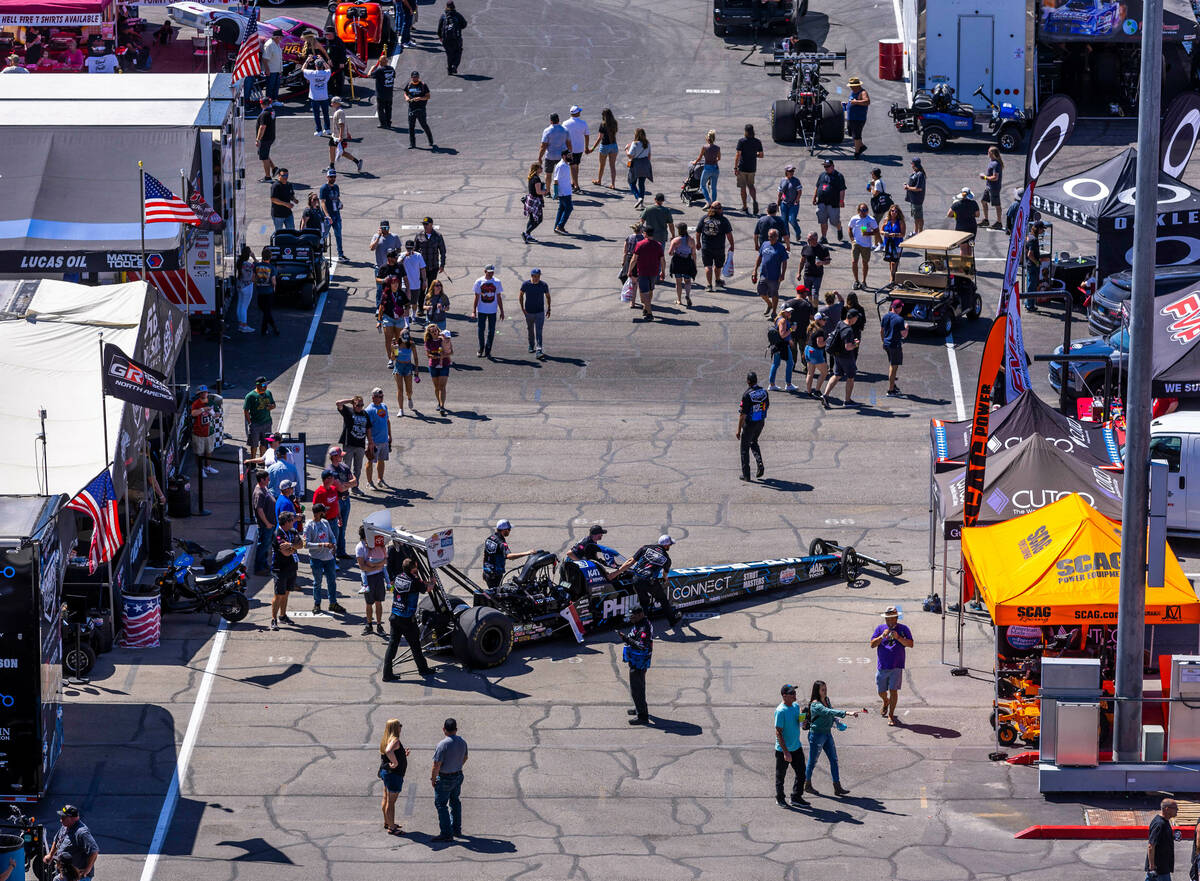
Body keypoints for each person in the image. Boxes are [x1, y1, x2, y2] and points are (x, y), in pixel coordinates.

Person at [803, 680, 861, 796]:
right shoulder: (815, 705)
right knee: (813, 761)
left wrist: (836, 721)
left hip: (827, 734)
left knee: (834, 760)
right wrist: (847, 713)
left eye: (826, 689)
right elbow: (828, 711)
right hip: (817, 736)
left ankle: (837, 786)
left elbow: (831, 713)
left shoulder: (827, 700)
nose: (825, 691)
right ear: (817, 691)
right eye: (822, 690)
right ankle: (807, 784)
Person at [383, 554, 433, 679]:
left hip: (394, 616)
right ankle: (423, 669)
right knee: (415, 646)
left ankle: (387, 674)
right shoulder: (414, 582)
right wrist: (433, 581)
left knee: (392, 645)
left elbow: (397, 587)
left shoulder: (398, 577)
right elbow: (428, 588)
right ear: (412, 569)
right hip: (407, 620)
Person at [613, 535, 680, 625]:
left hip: (636, 579)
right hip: (650, 581)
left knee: (644, 602)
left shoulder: (645, 548)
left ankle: (643, 623)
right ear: (666, 545)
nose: (670, 546)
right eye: (670, 544)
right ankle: (672, 620)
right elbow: (665, 574)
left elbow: (630, 561)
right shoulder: (667, 559)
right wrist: (665, 580)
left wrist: (616, 572)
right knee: (663, 600)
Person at [869, 605, 914, 725]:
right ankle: (885, 701)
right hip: (883, 666)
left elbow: (910, 644)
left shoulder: (903, 629)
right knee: (881, 691)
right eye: (887, 618)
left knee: (893, 691)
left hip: (897, 666)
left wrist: (898, 637)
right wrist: (881, 636)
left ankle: (891, 715)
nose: (888, 621)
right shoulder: (880, 629)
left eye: (891, 618)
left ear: (896, 618)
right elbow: (872, 644)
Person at [431, 718, 468, 841]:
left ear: (444, 729)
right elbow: (465, 757)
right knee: (455, 802)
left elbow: (436, 764)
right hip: (458, 775)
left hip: (445, 778)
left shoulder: (442, 745)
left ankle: (446, 833)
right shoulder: (462, 742)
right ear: (456, 729)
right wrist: (457, 765)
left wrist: (433, 779)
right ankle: (456, 829)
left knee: (441, 805)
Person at [304, 499, 343, 614]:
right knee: (317, 582)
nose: (325, 513)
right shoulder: (309, 526)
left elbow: (332, 536)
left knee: (332, 582)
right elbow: (306, 544)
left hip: (329, 558)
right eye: (323, 511)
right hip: (316, 559)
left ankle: (333, 603)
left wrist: (334, 545)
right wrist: (322, 545)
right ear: (319, 513)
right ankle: (317, 604)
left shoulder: (325, 522)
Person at [774, 684, 808, 806]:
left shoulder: (795, 706)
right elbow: (778, 732)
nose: (795, 695)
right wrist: (786, 752)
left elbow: (798, 723)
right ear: (784, 696)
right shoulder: (780, 711)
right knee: (780, 776)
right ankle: (780, 798)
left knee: (802, 773)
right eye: (792, 693)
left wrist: (803, 722)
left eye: (794, 692)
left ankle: (796, 797)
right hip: (783, 750)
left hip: (796, 747)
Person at [43, 806, 98, 881]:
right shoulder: (66, 826)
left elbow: (94, 851)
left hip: (77, 877)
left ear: (72, 818)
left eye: (63, 817)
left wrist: (87, 870)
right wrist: (51, 855)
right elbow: (57, 839)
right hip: (64, 872)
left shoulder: (82, 833)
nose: (61, 820)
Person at [820, 309, 861, 407]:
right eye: (856, 317)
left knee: (837, 375)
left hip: (837, 354)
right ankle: (847, 401)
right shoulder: (848, 330)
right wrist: (855, 344)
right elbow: (848, 347)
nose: (857, 319)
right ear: (852, 318)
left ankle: (825, 395)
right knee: (850, 377)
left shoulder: (840, 323)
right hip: (846, 356)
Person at [621, 606, 654, 725]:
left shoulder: (643, 628)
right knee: (639, 686)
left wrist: (626, 639)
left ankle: (642, 716)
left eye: (633, 616)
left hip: (639, 662)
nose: (631, 618)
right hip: (636, 660)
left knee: (637, 689)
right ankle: (639, 708)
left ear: (640, 615)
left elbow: (642, 646)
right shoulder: (639, 623)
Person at [271, 510, 302, 630]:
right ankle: (273, 619)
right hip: (280, 569)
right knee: (279, 595)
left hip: (291, 567)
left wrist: (291, 545)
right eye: (292, 520)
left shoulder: (293, 531)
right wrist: (294, 546)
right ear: (286, 522)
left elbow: (301, 544)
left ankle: (282, 616)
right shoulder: (278, 534)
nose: (294, 522)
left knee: (286, 593)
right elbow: (286, 553)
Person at [377, 719, 409, 835]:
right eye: (400, 725)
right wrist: (395, 763)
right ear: (395, 728)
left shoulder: (386, 739)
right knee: (391, 802)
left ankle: (388, 822)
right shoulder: (395, 740)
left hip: (386, 772)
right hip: (394, 775)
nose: (401, 727)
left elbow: (389, 753)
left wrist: (402, 755)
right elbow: (389, 751)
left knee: (386, 798)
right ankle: (392, 827)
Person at [482, 519, 535, 588]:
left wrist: (484, 571)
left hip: (487, 571)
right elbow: (509, 556)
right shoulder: (501, 542)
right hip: (495, 574)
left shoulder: (490, 538)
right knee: (496, 593)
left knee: (492, 591)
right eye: (509, 529)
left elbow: (485, 555)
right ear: (504, 530)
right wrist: (527, 553)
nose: (510, 531)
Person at [355, 525, 388, 635]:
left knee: (379, 602)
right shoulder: (359, 547)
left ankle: (379, 625)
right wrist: (377, 567)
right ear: (366, 536)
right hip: (368, 579)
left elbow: (385, 560)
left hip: (378, 577)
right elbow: (362, 567)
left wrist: (375, 566)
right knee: (369, 603)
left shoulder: (376, 544)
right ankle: (369, 625)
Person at [737, 371, 769, 482]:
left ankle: (746, 475)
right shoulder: (764, 392)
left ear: (748, 381)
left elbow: (742, 414)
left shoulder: (747, 395)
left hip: (750, 424)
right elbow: (767, 406)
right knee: (754, 441)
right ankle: (759, 462)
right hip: (760, 422)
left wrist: (738, 430)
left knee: (744, 449)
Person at [326, 446, 357, 558]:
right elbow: (340, 488)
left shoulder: (344, 466)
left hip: (346, 500)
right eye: (340, 455)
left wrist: (345, 484)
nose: (342, 457)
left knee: (343, 527)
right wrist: (348, 484)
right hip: (337, 501)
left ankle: (341, 551)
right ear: (334, 457)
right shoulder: (330, 471)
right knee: (336, 528)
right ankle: (334, 553)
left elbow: (355, 482)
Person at [696, 202, 734, 292]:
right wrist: (732, 245)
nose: (722, 209)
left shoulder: (704, 218)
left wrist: (698, 243)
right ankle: (717, 281)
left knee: (708, 266)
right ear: (719, 209)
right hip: (719, 247)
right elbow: (729, 234)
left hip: (706, 247)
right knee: (718, 265)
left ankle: (709, 285)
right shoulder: (723, 220)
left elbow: (698, 232)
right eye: (721, 208)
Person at [752, 228, 789, 319]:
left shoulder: (780, 247)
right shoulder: (765, 244)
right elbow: (760, 257)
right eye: (769, 236)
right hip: (763, 274)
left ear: (777, 237)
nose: (770, 238)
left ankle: (774, 312)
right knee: (761, 292)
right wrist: (755, 270)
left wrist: (783, 274)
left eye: (772, 236)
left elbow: (784, 262)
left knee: (774, 294)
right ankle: (769, 304)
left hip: (775, 276)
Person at [631, 228, 665, 320]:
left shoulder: (640, 244)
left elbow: (634, 259)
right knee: (650, 290)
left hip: (643, 272)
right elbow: (662, 260)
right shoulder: (658, 245)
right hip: (654, 272)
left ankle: (649, 313)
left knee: (644, 292)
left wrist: (630, 270)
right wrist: (663, 271)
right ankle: (646, 308)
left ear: (645, 234)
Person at [472, 264, 504, 358]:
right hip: (482, 310)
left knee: (492, 330)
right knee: (481, 330)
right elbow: (476, 296)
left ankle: (488, 349)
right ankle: (481, 348)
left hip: (492, 311)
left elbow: (498, 297)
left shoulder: (497, 282)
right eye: (489, 272)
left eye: (492, 272)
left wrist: (502, 311)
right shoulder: (479, 281)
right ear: (485, 271)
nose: (490, 274)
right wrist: (474, 310)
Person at [327, 98, 364, 179]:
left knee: (342, 152)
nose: (331, 104)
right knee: (331, 147)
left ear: (337, 103)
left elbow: (342, 124)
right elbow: (344, 124)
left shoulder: (340, 112)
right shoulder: (338, 111)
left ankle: (357, 162)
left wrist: (341, 136)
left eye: (332, 102)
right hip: (335, 136)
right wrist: (347, 133)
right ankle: (332, 165)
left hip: (338, 137)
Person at [335, 397, 370, 482]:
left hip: (360, 445)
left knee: (358, 468)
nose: (360, 407)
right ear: (353, 404)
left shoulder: (365, 414)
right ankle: (345, 486)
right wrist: (350, 400)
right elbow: (338, 403)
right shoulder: (348, 411)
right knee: (346, 467)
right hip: (349, 445)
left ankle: (355, 486)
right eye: (358, 405)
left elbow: (368, 428)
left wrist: (370, 442)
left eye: (362, 405)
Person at [813, 158, 846, 244]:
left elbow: (842, 189)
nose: (826, 168)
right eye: (825, 166)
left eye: (828, 166)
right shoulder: (822, 175)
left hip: (833, 203)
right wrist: (814, 197)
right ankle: (824, 237)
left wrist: (841, 201)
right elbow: (817, 186)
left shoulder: (839, 176)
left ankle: (839, 228)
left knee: (834, 221)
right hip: (821, 202)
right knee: (823, 221)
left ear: (833, 166)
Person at [880, 300, 909, 397]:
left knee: (892, 365)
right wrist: (907, 327)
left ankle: (892, 385)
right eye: (901, 307)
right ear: (899, 308)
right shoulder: (899, 319)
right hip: (895, 345)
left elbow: (881, 331)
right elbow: (904, 335)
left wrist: (883, 342)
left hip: (887, 344)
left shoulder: (885, 316)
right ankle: (891, 390)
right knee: (894, 367)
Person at [519, 268, 551, 358]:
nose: (537, 278)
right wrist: (522, 308)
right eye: (535, 276)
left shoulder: (543, 285)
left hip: (540, 312)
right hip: (529, 312)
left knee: (539, 331)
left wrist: (549, 308)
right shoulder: (526, 284)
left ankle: (539, 350)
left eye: (538, 276)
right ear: (532, 276)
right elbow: (521, 295)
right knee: (530, 330)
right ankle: (531, 345)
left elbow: (548, 296)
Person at [848, 203, 880, 291]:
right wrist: (852, 239)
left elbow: (877, 231)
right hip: (856, 243)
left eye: (866, 210)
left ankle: (864, 281)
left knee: (865, 263)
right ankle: (856, 281)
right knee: (854, 261)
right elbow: (850, 228)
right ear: (859, 210)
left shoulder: (871, 220)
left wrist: (868, 233)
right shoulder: (854, 218)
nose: (864, 212)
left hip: (866, 245)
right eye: (862, 210)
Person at [734, 123, 764, 214]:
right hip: (752, 167)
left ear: (745, 131)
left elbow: (738, 155)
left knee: (743, 187)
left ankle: (745, 207)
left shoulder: (742, 141)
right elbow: (761, 155)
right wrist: (754, 154)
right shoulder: (757, 141)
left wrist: (735, 167)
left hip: (742, 167)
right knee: (751, 185)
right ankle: (754, 200)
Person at [364, 387, 392, 485]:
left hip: (384, 440)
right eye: (378, 396)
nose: (381, 398)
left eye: (382, 396)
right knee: (370, 460)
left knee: (381, 460)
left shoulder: (384, 406)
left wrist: (390, 435)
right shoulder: (369, 410)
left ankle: (380, 479)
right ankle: (369, 482)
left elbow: (387, 421)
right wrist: (370, 442)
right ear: (373, 397)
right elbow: (367, 427)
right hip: (374, 441)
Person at [319, 168, 348, 260]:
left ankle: (340, 254)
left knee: (338, 234)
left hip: (336, 215)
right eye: (331, 177)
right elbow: (322, 203)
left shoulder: (336, 187)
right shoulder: (324, 188)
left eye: (334, 177)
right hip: (327, 216)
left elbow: (337, 198)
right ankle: (319, 253)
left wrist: (340, 203)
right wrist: (327, 215)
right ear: (327, 177)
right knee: (323, 235)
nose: (333, 178)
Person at [250, 470, 276, 576]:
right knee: (263, 546)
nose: (269, 480)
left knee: (266, 546)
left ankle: (264, 565)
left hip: (270, 524)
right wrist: (267, 523)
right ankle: (259, 568)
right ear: (262, 479)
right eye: (267, 478)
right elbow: (259, 510)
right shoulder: (259, 493)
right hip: (265, 525)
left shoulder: (264, 488)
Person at [370, 221, 402, 303]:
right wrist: (379, 237)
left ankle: (392, 305)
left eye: (386, 228)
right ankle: (379, 307)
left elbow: (399, 249)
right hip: (380, 267)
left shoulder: (394, 237)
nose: (385, 229)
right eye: (383, 228)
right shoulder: (376, 236)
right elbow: (372, 248)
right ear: (380, 228)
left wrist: (393, 252)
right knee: (380, 289)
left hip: (392, 267)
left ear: (389, 228)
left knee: (393, 288)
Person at [1147, 798, 1179, 881]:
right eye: (1175, 808)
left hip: (1163, 866)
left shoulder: (1165, 821)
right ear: (1167, 809)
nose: (1177, 810)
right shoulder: (1159, 824)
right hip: (1159, 868)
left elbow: (1161, 839)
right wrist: (1152, 867)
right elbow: (1151, 846)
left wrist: (1173, 837)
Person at [243, 375, 276, 456]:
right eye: (263, 385)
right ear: (258, 385)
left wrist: (272, 406)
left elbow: (274, 404)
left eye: (266, 384)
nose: (265, 386)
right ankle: (253, 460)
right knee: (254, 444)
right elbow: (246, 411)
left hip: (267, 422)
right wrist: (250, 423)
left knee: (265, 443)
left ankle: (262, 459)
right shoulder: (250, 396)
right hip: (255, 424)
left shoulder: (268, 393)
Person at [424, 323, 453, 414]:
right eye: (432, 331)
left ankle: (442, 406)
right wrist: (434, 356)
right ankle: (439, 402)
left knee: (442, 386)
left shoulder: (443, 339)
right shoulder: (428, 342)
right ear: (429, 333)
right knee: (437, 387)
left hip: (444, 364)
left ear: (438, 330)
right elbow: (428, 355)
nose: (435, 332)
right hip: (433, 365)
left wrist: (443, 355)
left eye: (436, 330)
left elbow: (451, 352)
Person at [190, 386, 219, 476]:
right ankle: (200, 469)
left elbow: (218, 412)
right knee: (199, 452)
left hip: (210, 431)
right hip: (198, 432)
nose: (204, 394)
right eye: (202, 393)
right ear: (199, 394)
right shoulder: (196, 403)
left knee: (209, 451)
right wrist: (203, 409)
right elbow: (193, 413)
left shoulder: (211, 402)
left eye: (205, 392)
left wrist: (215, 414)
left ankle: (208, 467)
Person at [391, 331, 421, 416]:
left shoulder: (412, 344)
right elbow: (393, 358)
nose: (405, 340)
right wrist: (394, 349)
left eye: (406, 338)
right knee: (400, 389)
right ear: (400, 337)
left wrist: (416, 368)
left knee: (409, 389)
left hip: (408, 366)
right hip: (398, 366)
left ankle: (409, 398)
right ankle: (401, 409)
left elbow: (415, 357)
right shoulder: (396, 344)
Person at [414, 217, 446, 295]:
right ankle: (421, 303)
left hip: (433, 267)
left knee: (431, 289)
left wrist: (442, 265)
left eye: (426, 224)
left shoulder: (438, 236)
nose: (425, 226)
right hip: (422, 267)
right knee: (421, 288)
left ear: (431, 225)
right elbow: (414, 251)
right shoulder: (419, 235)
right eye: (424, 224)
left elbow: (443, 251)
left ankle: (429, 302)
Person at [403, 70, 435, 150]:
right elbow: (405, 93)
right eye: (414, 77)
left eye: (416, 77)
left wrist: (420, 98)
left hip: (421, 108)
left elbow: (428, 96)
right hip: (411, 108)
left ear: (418, 77)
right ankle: (412, 144)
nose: (415, 78)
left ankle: (430, 140)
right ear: (411, 77)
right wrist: (407, 98)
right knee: (411, 126)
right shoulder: (409, 85)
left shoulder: (423, 85)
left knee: (424, 125)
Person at [667, 223, 697, 307]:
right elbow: (694, 253)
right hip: (687, 261)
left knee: (678, 282)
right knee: (687, 281)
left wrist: (675, 251)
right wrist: (694, 264)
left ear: (679, 230)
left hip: (678, 262)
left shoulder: (676, 240)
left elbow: (670, 253)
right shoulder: (691, 240)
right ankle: (687, 295)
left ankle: (679, 300)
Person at [767, 307, 795, 393]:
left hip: (777, 345)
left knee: (775, 364)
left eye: (791, 311)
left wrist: (790, 340)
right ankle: (788, 385)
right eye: (788, 311)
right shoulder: (783, 321)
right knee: (790, 363)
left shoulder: (778, 318)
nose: (790, 313)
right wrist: (791, 329)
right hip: (783, 346)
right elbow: (782, 335)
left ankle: (772, 384)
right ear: (783, 311)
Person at [563, 105, 591, 191]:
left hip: (569, 148)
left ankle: (575, 183)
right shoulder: (583, 123)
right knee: (575, 165)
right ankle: (575, 184)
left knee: (573, 166)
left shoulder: (565, 123)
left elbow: (563, 136)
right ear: (578, 113)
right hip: (579, 148)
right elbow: (587, 136)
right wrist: (586, 147)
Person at [302, 57, 333, 136]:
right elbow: (329, 68)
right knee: (326, 114)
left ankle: (319, 131)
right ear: (322, 66)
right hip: (324, 97)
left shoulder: (312, 73)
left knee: (316, 115)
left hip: (315, 97)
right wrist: (323, 60)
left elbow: (303, 69)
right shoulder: (326, 73)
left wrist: (307, 60)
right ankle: (327, 129)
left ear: (315, 66)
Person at [590, 107, 619, 188]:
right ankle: (613, 184)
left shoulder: (603, 124)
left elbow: (600, 138)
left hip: (605, 146)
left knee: (602, 165)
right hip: (613, 145)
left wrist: (593, 148)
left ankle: (599, 180)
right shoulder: (615, 123)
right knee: (612, 166)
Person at [437, 0, 468, 75]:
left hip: (446, 39)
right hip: (456, 38)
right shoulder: (457, 15)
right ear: (454, 6)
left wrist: (440, 37)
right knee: (458, 51)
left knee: (449, 54)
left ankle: (449, 69)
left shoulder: (443, 15)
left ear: (446, 7)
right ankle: (454, 65)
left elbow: (439, 28)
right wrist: (458, 28)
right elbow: (464, 24)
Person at [797, 231, 831, 299]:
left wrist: (821, 263)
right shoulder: (805, 247)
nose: (808, 240)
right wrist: (799, 273)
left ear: (816, 239)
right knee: (808, 294)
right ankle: (810, 305)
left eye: (810, 239)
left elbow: (828, 261)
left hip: (817, 275)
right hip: (807, 274)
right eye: (808, 239)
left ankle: (815, 305)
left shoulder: (823, 249)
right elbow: (802, 261)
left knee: (815, 294)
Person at [947, 187, 979, 255]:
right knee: (970, 247)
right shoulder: (974, 203)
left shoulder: (956, 204)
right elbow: (977, 214)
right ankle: (969, 261)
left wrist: (956, 216)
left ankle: (963, 261)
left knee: (963, 248)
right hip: (972, 227)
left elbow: (949, 214)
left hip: (961, 228)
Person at [625, 128, 652, 208]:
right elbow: (649, 155)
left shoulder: (635, 143)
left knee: (631, 182)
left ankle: (638, 197)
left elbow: (630, 155)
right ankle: (641, 203)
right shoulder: (647, 143)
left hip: (636, 164)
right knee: (641, 184)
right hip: (645, 163)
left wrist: (626, 149)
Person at [776, 164, 803, 244]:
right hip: (784, 203)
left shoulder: (796, 181)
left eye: (793, 171)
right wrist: (778, 203)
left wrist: (797, 200)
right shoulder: (782, 180)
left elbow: (799, 192)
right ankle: (787, 237)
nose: (792, 172)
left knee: (792, 220)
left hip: (793, 204)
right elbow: (780, 192)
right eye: (790, 171)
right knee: (784, 221)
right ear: (786, 172)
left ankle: (798, 231)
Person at [367, 52, 395, 127]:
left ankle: (383, 123)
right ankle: (388, 122)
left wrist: (372, 68)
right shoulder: (391, 69)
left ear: (380, 62)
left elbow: (369, 75)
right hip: (389, 93)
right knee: (388, 108)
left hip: (381, 94)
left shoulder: (380, 70)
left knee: (380, 109)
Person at [694, 129, 721, 208]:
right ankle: (714, 204)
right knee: (713, 187)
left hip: (707, 168)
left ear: (707, 139)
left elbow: (699, 158)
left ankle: (708, 201)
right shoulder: (717, 148)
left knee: (702, 185)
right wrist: (714, 160)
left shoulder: (704, 147)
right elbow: (719, 158)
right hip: (715, 168)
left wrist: (695, 162)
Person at [979, 146, 1004, 229]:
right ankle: (986, 220)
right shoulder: (992, 162)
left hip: (994, 188)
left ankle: (999, 222)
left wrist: (984, 177)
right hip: (989, 187)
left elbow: (995, 177)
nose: (988, 153)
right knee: (983, 201)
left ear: (992, 153)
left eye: (989, 152)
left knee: (997, 205)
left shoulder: (996, 164)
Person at [803, 314, 828, 396]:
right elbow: (820, 344)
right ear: (819, 320)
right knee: (824, 372)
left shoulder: (811, 327)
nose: (825, 321)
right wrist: (828, 340)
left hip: (808, 349)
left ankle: (809, 391)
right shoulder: (820, 331)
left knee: (810, 373)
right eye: (824, 319)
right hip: (815, 352)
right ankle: (817, 391)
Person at [539, 113, 569, 180]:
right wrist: (570, 154)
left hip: (550, 156)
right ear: (558, 120)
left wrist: (540, 157)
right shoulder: (565, 130)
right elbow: (568, 143)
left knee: (548, 174)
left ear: (551, 121)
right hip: (562, 156)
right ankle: (560, 187)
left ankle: (548, 187)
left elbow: (543, 146)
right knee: (561, 174)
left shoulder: (547, 130)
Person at [522, 162, 547, 243]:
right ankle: (526, 233)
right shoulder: (536, 179)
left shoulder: (531, 176)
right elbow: (538, 192)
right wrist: (545, 191)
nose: (542, 169)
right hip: (535, 201)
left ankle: (528, 236)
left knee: (532, 219)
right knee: (539, 219)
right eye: (540, 168)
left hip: (530, 199)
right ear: (537, 169)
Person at [880, 204, 906, 283]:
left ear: (898, 213)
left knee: (894, 262)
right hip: (888, 244)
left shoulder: (900, 222)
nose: (894, 212)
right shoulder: (886, 220)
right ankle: (893, 277)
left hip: (897, 244)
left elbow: (903, 234)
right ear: (890, 212)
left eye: (896, 211)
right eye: (892, 211)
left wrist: (895, 234)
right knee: (890, 261)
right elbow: (881, 231)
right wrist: (884, 233)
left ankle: (892, 278)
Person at [846, 76, 870, 157]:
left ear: (857, 86)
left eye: (852, 86)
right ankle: (861, 146)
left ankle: (857, 152)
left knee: (856, 135)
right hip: (851, 118)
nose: (851, 88)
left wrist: (856, 102)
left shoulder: (863, 92)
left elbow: (867, 101)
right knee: (851, 133)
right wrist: (847, 104)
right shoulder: (853, 92)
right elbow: (852, 101)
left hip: (858, 118)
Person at [1025, 221, 1046, 312]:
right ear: (1038, 229)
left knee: (1030, 285)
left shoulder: (1029, 236)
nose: (1043, 231)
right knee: (1032, 286)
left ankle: (1028, 303)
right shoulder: (1034, 240)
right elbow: (1030, 254)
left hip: (1029, 265)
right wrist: (1037, 262)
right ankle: (1030, 306)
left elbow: (1026, 250)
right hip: (1033, 266)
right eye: (1042, 229)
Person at [399, 239, 428, 306]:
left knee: (414, 303)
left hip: (415, 284)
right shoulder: (402, 255)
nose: (409, 250)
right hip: (404, 285)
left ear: (414, 247)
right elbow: (398, 264)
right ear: (405, 247)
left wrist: (424, 281)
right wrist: (405, 256)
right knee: (405, 304)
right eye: (408, 248)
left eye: (411, 248)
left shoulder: (418, 255)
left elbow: (423, 269)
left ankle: (414, 312)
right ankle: (406, 313)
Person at [552, 149, 574, 234]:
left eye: (571, 155)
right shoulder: (561, 166)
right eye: (569, 155)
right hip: (564, 192)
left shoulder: (566, 164)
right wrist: (556, 192)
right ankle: (560, 226)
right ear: (564, 156)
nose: (571, 157)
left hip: (567, 191)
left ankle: (556, 227)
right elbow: (556, 180)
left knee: (561, 209)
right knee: (569, 208)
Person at [255, 100, 277, 182]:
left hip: (265, 138)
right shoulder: (272, 111)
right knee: (263, 153)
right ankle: (274, 168)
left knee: (264, 157)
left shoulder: (264, 114)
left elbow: (262, 127)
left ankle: (268, 177)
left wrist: (258, 139)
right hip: (270, 136)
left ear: (262, 104)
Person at [903, 157, 926, 235]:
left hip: (917, 200)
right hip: (913, 199)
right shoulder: (915, 172)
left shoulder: (920, 174)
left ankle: (920, 233)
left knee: (919, 217)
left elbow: (918, 188)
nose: (911, 165)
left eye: (912, 163)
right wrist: (907, 185)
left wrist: (907, 187)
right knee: (916, 217)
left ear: (914, 164)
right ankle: (915, 231)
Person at [262, 29, 283, 104]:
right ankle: (268, 103)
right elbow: (265, 58)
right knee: (270, 87)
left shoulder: (276, 43)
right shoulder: (270, 45)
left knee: (275, 86)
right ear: (277, 37)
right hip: (271, 70)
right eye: (281, 37)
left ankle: (274, 100)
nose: (282, 38)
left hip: (276, 70)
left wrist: (280, 69)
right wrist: (267, 70)